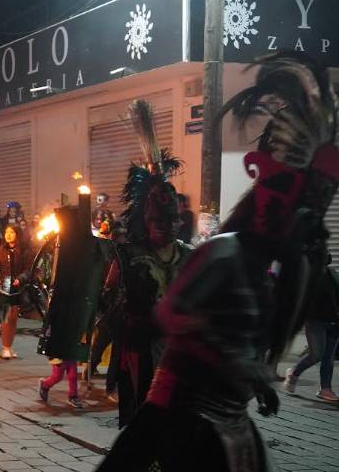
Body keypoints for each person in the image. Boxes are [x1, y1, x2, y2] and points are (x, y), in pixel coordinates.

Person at [97, 51, 339, 472]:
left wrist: (257, 376)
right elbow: (172, 313)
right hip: (182, 417)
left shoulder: (265, 276)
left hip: (231, 426)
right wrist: (241, 363)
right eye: (305, 213)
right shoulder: (221, 252)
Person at [101, 100, 192, 428]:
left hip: (181, 354)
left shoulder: (190, 255)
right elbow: (108, 300)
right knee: (143, 426)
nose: (166, 225)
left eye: (172, 219)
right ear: (145, 220)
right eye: (158, 219)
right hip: (140, 351)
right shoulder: (127, 256)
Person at [284, 264, 339, 402]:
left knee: (329, 357)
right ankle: (294, 373)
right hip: (315, 321)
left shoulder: (332, 273)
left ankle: (325, 389)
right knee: (316, 354)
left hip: (335, 321)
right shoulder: (307, 275)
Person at [0, 224, 31, 359]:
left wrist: (20, 279)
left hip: (17, 287)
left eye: (12, 232)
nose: (8, 235)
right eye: (6, 232)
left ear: (17, 234)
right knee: (5, 316)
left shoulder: (24, 251)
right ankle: (5, 347)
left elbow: (28, 269)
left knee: (14, 317)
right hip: (3, 285)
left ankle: (9, 346)